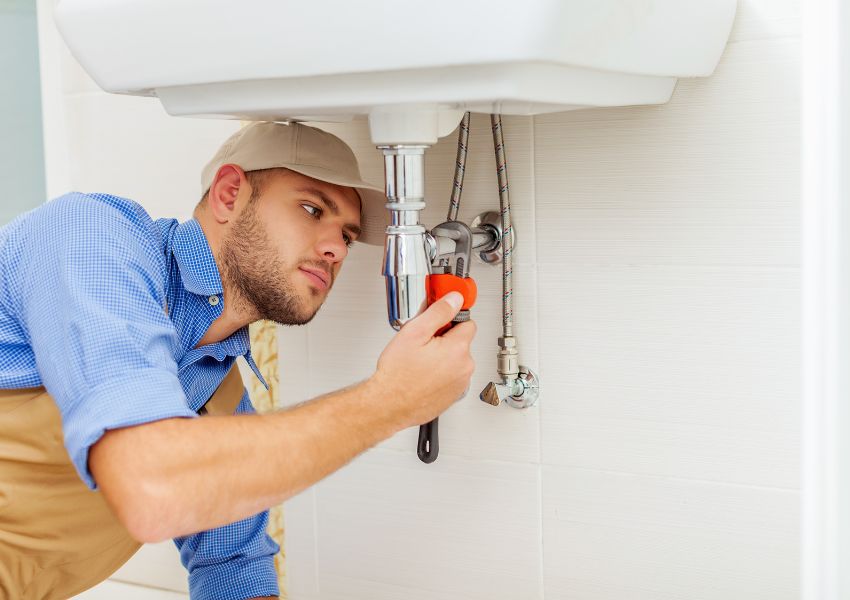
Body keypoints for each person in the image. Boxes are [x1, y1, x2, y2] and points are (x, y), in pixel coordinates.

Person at [0, 122, 476, 600]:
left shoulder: (217, 390)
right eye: (311, 209)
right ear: (229, 195)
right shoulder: (90, 239)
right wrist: (391, 400)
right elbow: (151, 487)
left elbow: (233, 569)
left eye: (346, 238)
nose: (334, 249)